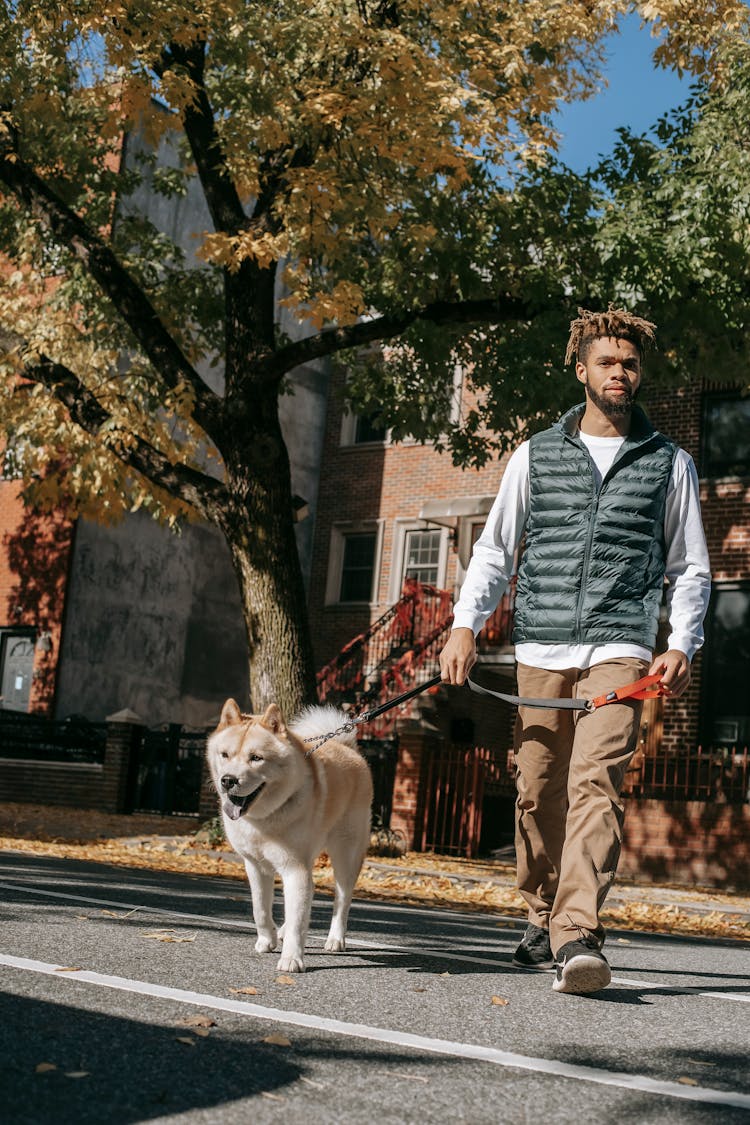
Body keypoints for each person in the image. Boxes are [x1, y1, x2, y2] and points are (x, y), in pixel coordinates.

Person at [439, 307, 711, 995]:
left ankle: (577, 932)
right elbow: (496, 549)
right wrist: (465, 623)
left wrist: (680, 642)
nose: (622, 373)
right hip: (541, 641)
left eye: (631, 364)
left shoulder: (668, 462)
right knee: (535, 788)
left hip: (621, 643)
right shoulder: (535, 453)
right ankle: (540, 908)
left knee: (597, 781)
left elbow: (691, 565)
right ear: (581, 368)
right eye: (609, 362)